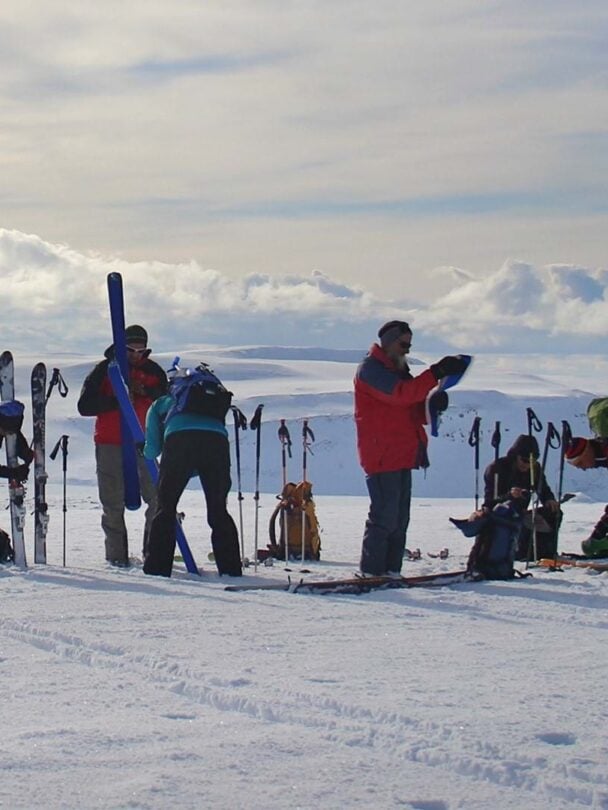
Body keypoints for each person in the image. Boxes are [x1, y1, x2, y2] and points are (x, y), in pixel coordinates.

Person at [354, 319, 468, 577]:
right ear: (389, 342)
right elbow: (402, 394)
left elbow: (411, 407)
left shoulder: (395, 370)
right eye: (403, 344)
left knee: (399, 520)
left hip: (402, 453)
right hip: (382, 455)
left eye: (409, 344)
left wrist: (432, 404)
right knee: (384, 517)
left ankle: (391, 571)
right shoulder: (371, 370)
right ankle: (372, 572)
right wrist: (435, 373)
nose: (407, 349)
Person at [77, 325, 168, 567]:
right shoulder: (105, 370)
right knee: (112, 503)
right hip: (110, 442)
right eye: (130, 350)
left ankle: (153, 554)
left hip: (145, 442)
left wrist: (145, 391)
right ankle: (117, 557)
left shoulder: (153, 371)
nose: (136, 355)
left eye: (142, 351)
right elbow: (85, 405)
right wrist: (119, 401)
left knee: (158, 498)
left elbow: (166, 400)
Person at [142, 363, 242, 578]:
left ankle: (157, 569)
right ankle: (231, 569)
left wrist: (144, 449)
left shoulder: (162, 403)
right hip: (217, 443)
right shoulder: (210, 401)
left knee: (166, 507)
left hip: (179, 441)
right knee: (218, 509)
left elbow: (152, 451)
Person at [482, 433, 561, 561]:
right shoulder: (497, 468)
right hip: (503, 515)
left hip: (523, 514)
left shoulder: (535, 469)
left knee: (554, 512)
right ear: (516, 456)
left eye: (531, 462)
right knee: (513, 516)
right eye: (524, 460)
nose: (527, 465)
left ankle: (546, 552)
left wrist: (549, 500)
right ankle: (520, 552)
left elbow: (543, 489)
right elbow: (490, 502)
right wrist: (509, 496)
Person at [565, 436, 608, 557]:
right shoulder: (602, 454)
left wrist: (597, 535)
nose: (582, 468)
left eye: (580, 463)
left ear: (587, 451)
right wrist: (598, 535)